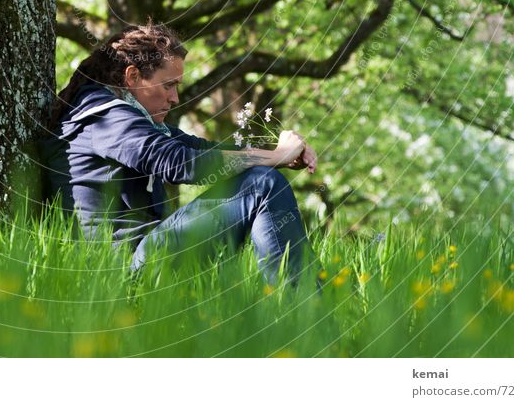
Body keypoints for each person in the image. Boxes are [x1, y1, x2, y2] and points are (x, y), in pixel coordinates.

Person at [39, 21, 319, 287]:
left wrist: (276, 154)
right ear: (133, 76)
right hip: (123, 275)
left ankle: (301, 305)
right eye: (168, 85)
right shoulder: (106, 118)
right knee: (262, 183)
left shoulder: (122, 115)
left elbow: (195, 148)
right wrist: (276, 157)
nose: (175, 98)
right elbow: (181, 163)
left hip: (141, 263)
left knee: (259, 177)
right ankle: (305, 310)